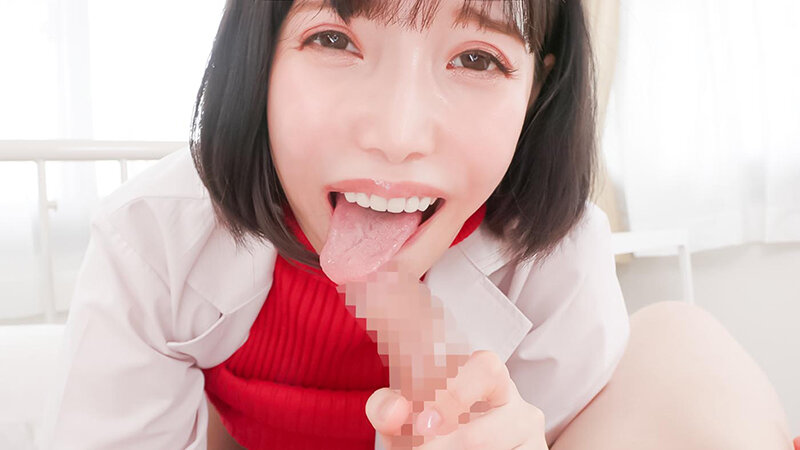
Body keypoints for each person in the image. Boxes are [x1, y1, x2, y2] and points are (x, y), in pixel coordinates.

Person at [39, 0, 795, 449]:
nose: (398, 135)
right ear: (259, 59)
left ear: (537, 90)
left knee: (686, 347)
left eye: (477, 59)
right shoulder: (152, 239)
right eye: (334, 39)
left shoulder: (559, 258)